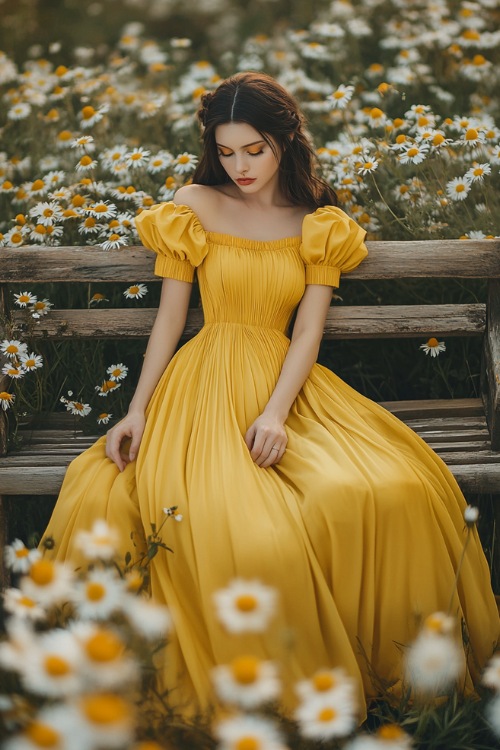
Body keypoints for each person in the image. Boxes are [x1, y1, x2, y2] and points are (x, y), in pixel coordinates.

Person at [42, 71, 498, 719]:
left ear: (286, 138)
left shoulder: (318, 223)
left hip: (289, 384)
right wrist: (136, 408)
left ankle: (402, 680)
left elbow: (308, 328)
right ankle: (265, 692)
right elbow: (170, 321)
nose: (241, 165)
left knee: (394, 492)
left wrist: (277, 413)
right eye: (227, 151)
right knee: (245, 533)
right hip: (201, 384)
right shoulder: (193, 204)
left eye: (254, 149)